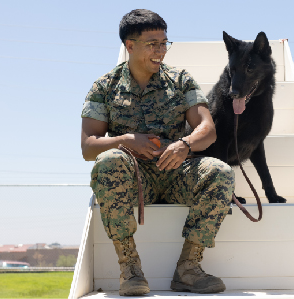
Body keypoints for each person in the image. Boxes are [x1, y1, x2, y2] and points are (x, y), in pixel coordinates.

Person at [80, 9, 235, 296]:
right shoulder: (105, 87)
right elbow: (89, 147)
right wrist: (125, 140)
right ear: (130, 45)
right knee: (108, 161)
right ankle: (130, 269)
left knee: (220, 171)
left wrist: (185, 144)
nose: (160, 51)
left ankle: (188, 269)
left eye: (164, 43)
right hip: (135, 179)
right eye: (152, 43)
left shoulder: (180, 80)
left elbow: (207, 129)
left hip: (177, 171)